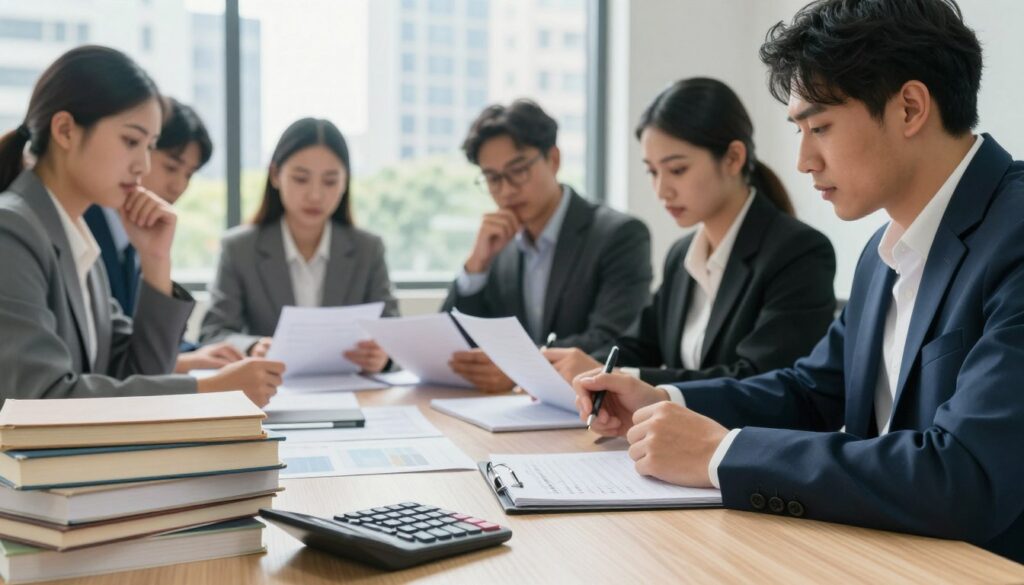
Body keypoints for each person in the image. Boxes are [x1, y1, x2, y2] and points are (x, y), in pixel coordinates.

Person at [574, 0, 1024, 562]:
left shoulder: (1014, 234)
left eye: (820, 127)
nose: (805, 160)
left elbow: (966, 474)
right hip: (879, 557)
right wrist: (663, 399)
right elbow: (810, 392)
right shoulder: (880, 255)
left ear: (910, 107)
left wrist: (723, 453)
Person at [0, 45, 282, 406]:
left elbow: (139, 371)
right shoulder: (13, 231)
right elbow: (42, 397)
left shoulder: (76, 241)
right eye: (131, 141)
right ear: (66, 130)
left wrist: (156, 261)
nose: (143, 166)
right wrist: (208, 391)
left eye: (149, 146)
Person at [544, 78, 836, 385]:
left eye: (677, 170)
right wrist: (584, 369)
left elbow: (760, 379)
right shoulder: (682, 255)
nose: (661, 190)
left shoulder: (798, 252)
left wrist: (625, 377)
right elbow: (637, 345)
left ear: (733, 158)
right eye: (653, 171)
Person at [443, 99, 653, 392]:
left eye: (518, 170)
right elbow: (457, 344)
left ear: (553, 160)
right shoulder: (500, 246)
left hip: (587, 411)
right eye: (492, 178)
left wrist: (517, 368)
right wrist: (475, 268)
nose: (506, 190)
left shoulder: (619, 235)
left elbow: (612, 338)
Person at [200, 117, 398, 374]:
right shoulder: (239, 249)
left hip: (352, 392)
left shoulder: (368, 249)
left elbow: (393, 334)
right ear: (275, 175)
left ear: (345, 182)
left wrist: (383, 356)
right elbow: (213, 333)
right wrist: (253, 347)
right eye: (301, 178)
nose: (315, 195)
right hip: (269, 396)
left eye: (329, 181)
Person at [83, 97, 243, 373]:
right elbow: (103, 354)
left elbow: (139, 335)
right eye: (171, 167)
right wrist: (186, 365)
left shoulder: (134, 234)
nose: (178, 186)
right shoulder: (84, 226)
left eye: (189, 174)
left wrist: (200, 353)